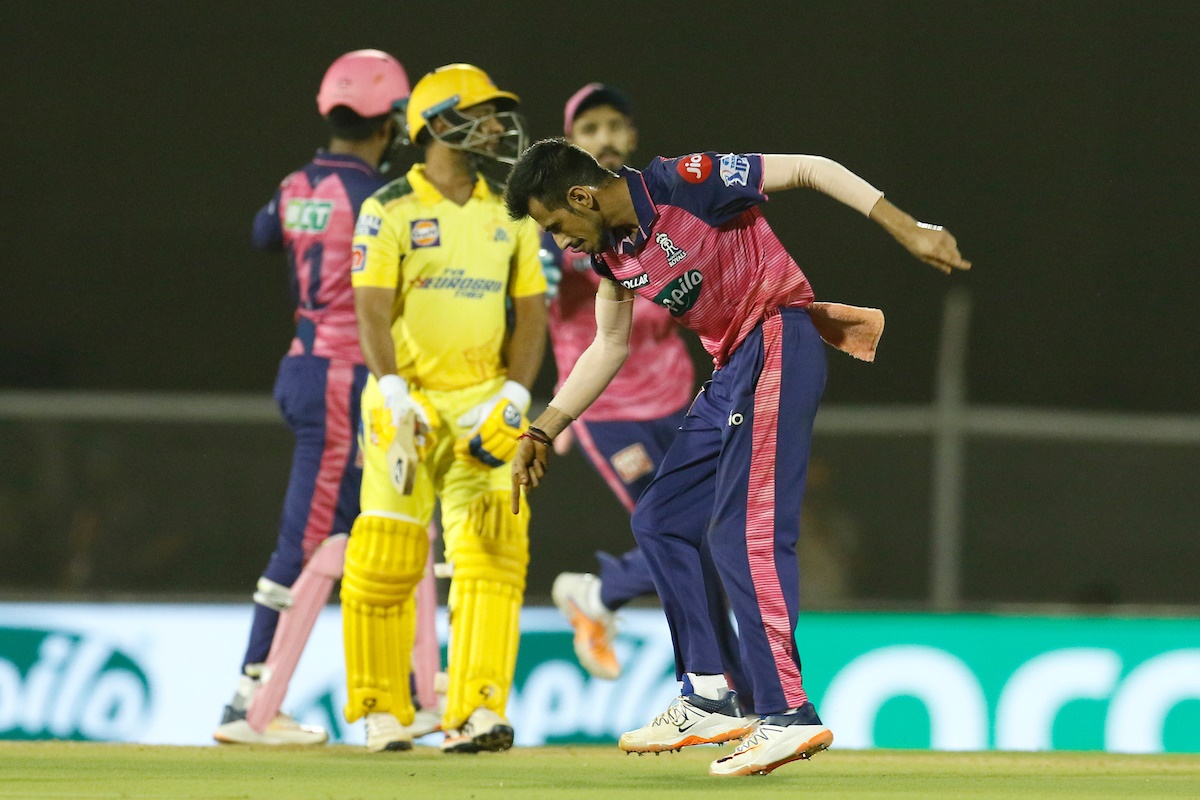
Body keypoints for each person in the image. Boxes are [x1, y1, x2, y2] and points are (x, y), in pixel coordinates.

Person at [504, 139, 969, 776]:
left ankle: (787, 713)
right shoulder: (612, 254)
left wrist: (906, 225)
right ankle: (712, 692)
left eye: (557, 224)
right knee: (659, 520)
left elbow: (812, 168)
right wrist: (542, 429)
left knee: (741, 536)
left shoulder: (684, 181)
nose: (561, 242)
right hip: (732, 370)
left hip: (776, 337)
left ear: (582, 196)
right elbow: (606, 349)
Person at [341, 63, 547, 754]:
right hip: (408, 399)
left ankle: (477, 711)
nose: (496, 127)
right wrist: (393, 391)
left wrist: (517, 395)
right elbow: (369, 310)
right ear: (436, 125)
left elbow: (531, 315)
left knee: (494, 554)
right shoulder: (390, 207)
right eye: (481, 114)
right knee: (386, 557)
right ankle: (381, 710)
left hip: (484, 401)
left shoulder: (511, 209)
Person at [214, 49, 410, 746]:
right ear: (390, 123)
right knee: (305, 541)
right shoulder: (381, 200)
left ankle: (401, 698)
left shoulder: (296, 183)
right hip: (340, 380)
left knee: (363, 533)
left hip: (310, 368)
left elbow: (264, 234)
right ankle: (246, 703)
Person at [541, 84, 744, 692]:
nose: (603, 138)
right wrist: (555, 408)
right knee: (681, 534)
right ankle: (717, 686)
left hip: (680, 400)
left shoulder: (659, 207)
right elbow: (537, 297)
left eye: (614, 126)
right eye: (589, 129)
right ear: (571, 146)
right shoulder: (562, 231)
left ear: (631, 137)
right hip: (611, 413)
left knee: (707, 533)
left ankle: (598, 595)